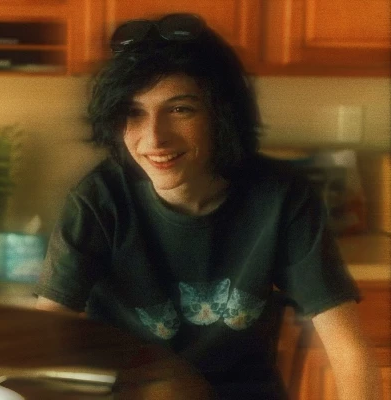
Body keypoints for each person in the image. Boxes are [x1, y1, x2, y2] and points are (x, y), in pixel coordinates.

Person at [35, 13, 381, 399]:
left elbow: (349, 349)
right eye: (133, 112)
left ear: (221, 114)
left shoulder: (281, 198)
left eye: (180, 109)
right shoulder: (99, 200)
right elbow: (47, 336)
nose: (154, 138)